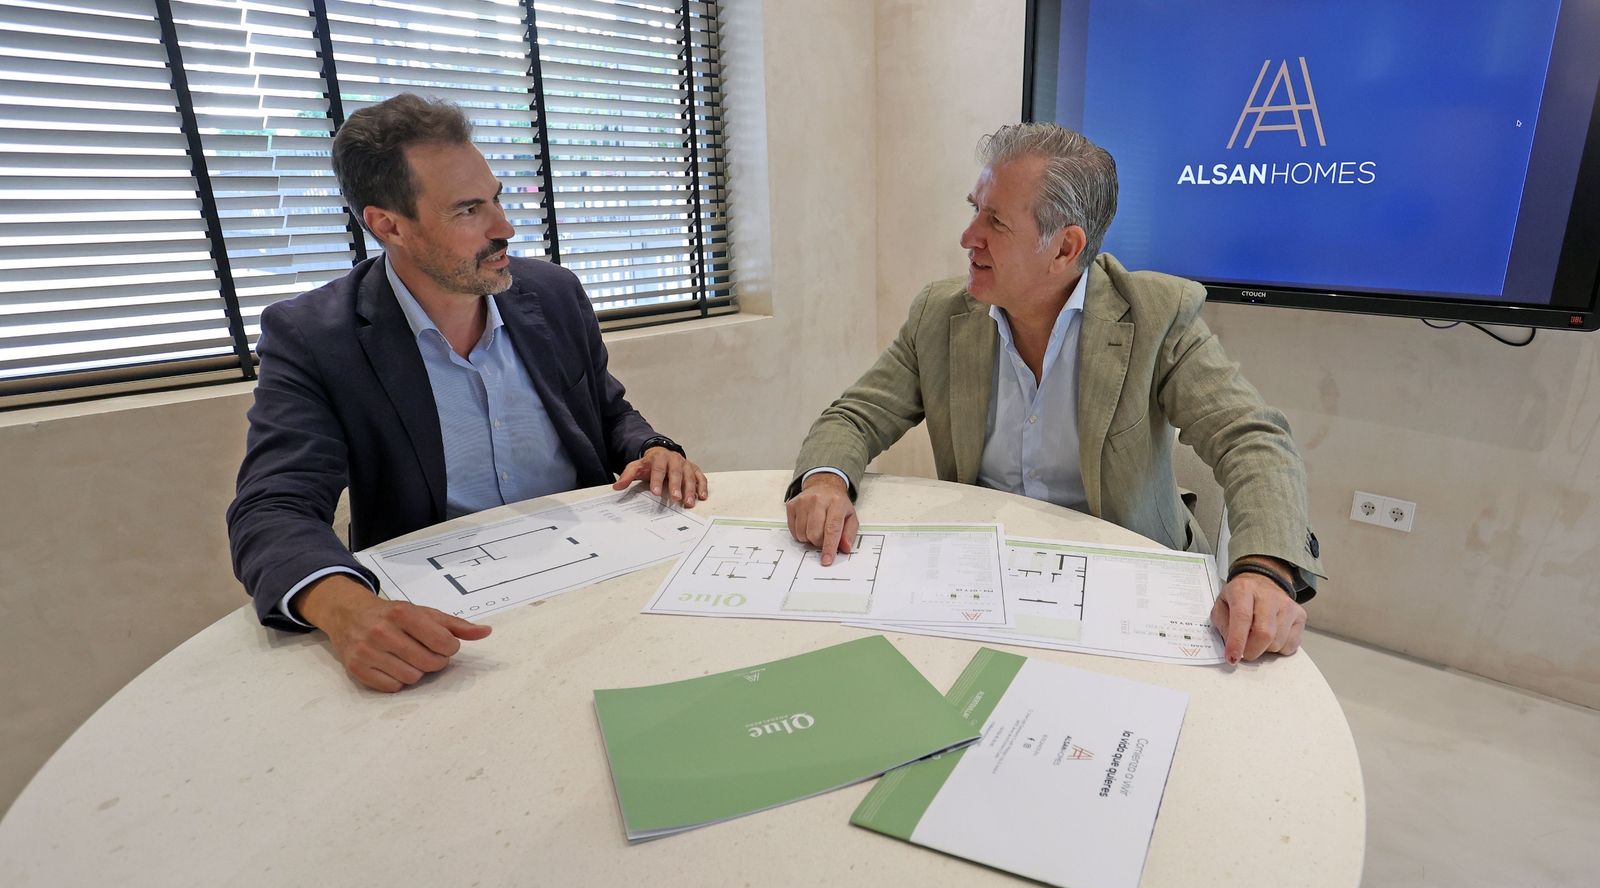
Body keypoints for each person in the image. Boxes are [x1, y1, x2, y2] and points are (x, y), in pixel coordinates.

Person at [784, 123, 1322, 665]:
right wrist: (827, 480)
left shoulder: (1156, 317)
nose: (969, 236)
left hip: (1129, 585)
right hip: (983, 584)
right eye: (975, 209)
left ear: (1065, 248)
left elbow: (1252, 439)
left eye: (995, 221)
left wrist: (1265, 569)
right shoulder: (939, 314)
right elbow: (855, 416)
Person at [227, 93, 706, 692]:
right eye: (468, 210)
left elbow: (607, 412)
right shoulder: (316, 339)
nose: (504, 227)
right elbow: (273, 507)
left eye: (498, 198)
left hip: (595, 572)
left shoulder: (553, 294)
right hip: (450, 614)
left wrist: (650, 446)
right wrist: (347, 610)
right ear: (388, 224)